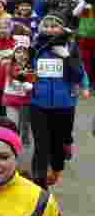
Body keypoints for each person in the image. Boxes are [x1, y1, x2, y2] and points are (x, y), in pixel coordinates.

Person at [28, 14, 83, 188]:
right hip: (38, 104)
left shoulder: (71, 46)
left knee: (58, 143)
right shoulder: (35, 46)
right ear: (41, 28)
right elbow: (25, 69)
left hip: (64, 104)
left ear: (62, 28)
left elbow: (78, 75)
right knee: (41, 144)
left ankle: (57, 166)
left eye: (55, 26)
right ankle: (39, 183)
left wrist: (67, 57)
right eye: (47, 25)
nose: (51, 29)